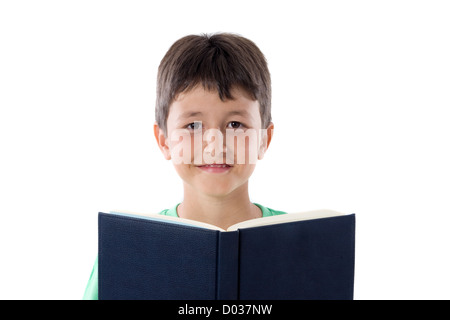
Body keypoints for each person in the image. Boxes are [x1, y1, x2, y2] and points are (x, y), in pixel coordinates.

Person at [83, 32, 287, 300]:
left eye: (235, 125)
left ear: (264, 139)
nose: (214, 146)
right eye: (193, 126)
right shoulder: (125, 250)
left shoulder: (306, 241)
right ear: (164, 140)